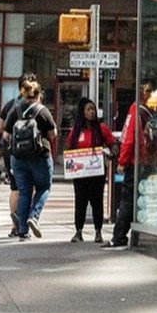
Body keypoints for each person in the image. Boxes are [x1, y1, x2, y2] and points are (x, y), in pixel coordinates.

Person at [0, 75, 56, 240]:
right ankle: (34, 216)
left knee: (24, 192)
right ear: (38, 95)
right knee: (44, 187)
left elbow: (6, 135)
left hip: (18, 158)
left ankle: (23, 231)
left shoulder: (16, 110)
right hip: (40, 156)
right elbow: (52, 134)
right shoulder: (43, 111)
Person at [61, 96, 115, 243]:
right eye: (89, 109)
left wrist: (108, 153)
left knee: (97, 201)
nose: (92, 112)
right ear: (82, 112)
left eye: (93, 109)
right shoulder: (76, 131)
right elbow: (68, 148)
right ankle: (78, 231)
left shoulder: (102, 128)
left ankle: (98, 231)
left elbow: (113, 145)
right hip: (80, 175)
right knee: (80, 202)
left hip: (96, 173)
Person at [110, 87, 147, 250]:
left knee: (127, 199)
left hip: (134, 162)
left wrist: (122, 161)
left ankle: (118, 235)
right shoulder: (148, 110)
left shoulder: (135, 109)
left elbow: (129, 138)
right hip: (145, 161)